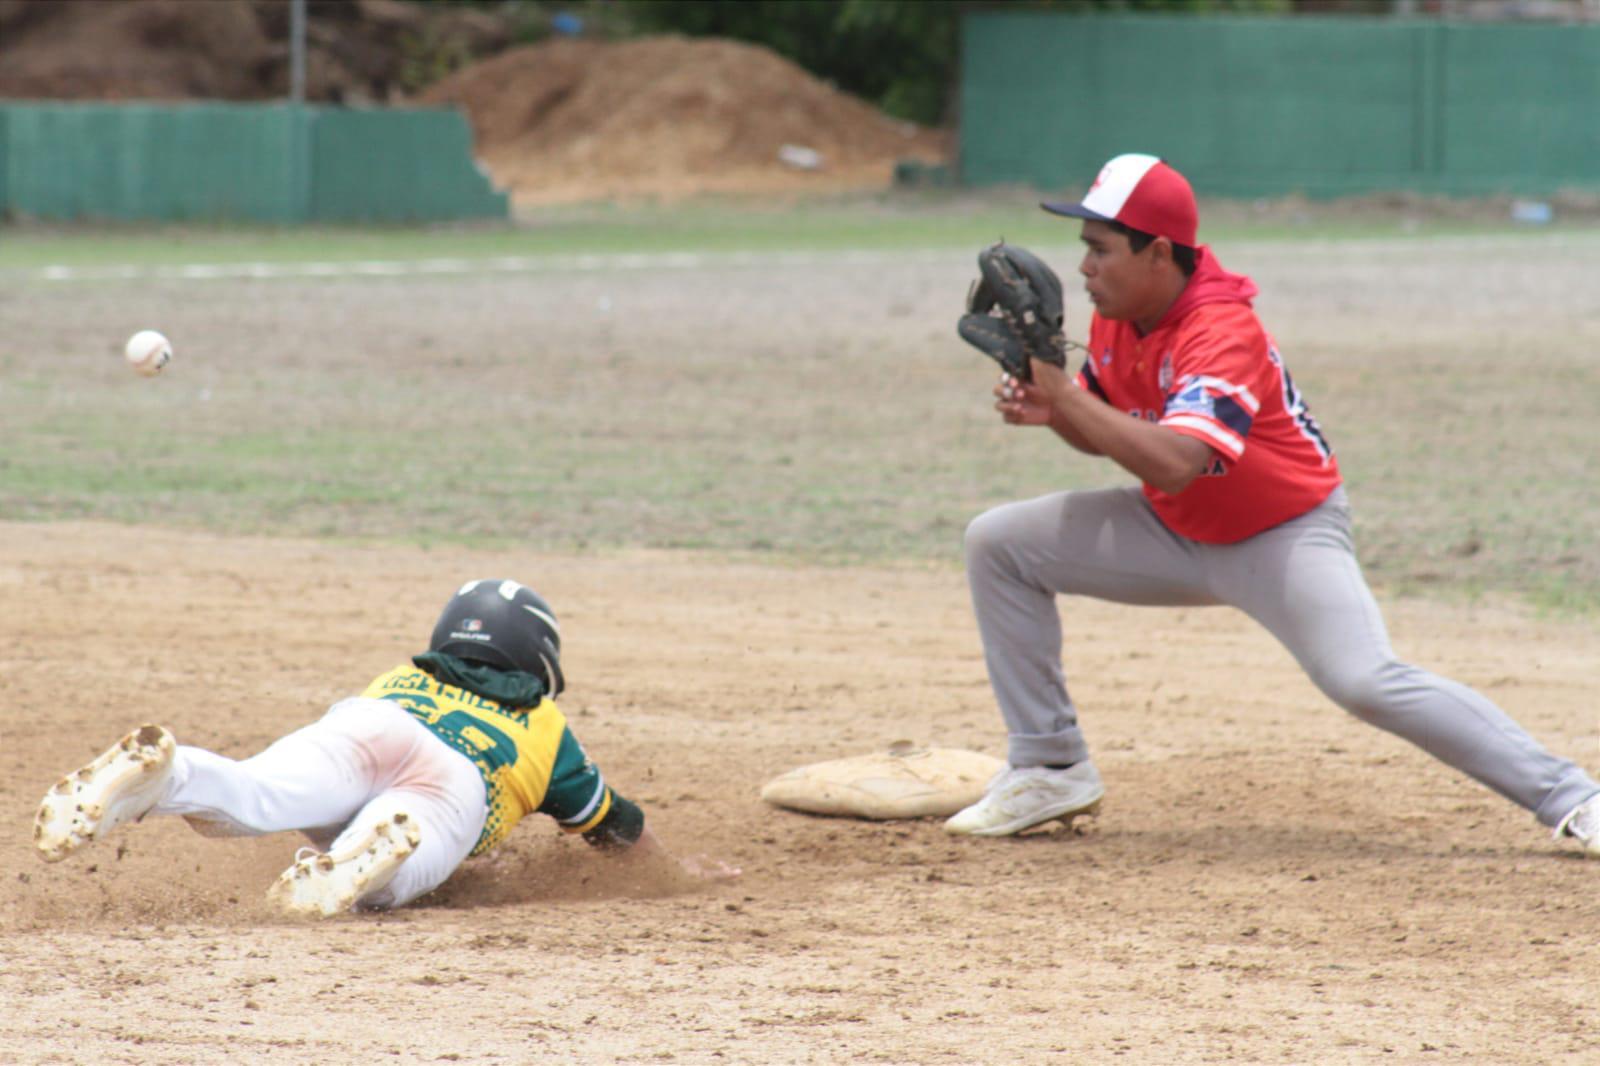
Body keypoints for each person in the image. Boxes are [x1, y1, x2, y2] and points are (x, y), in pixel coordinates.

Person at [945, 152, 1600, 855]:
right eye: (1084, 249)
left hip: (1283, 539)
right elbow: (1114, 440)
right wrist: (1054, 409)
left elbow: (1174, 463)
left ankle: (1576, 798)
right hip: (1171, 531)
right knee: (1000, 542)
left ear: (1159, 253)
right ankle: (1049, 767)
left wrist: (1067, 396)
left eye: (1100, 250)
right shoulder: (1117, 316)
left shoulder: (1222, 330)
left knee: (1365, 681)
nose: (1084, 269)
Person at [33, 578, 739, 915]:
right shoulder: (545, 729)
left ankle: (171, 774)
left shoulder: (404, 677)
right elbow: (613, 823)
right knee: (397, 863)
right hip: (461, 777)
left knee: (255, 791)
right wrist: (670, 874)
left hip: (369, 724)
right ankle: (357, 867)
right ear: (537, 657)